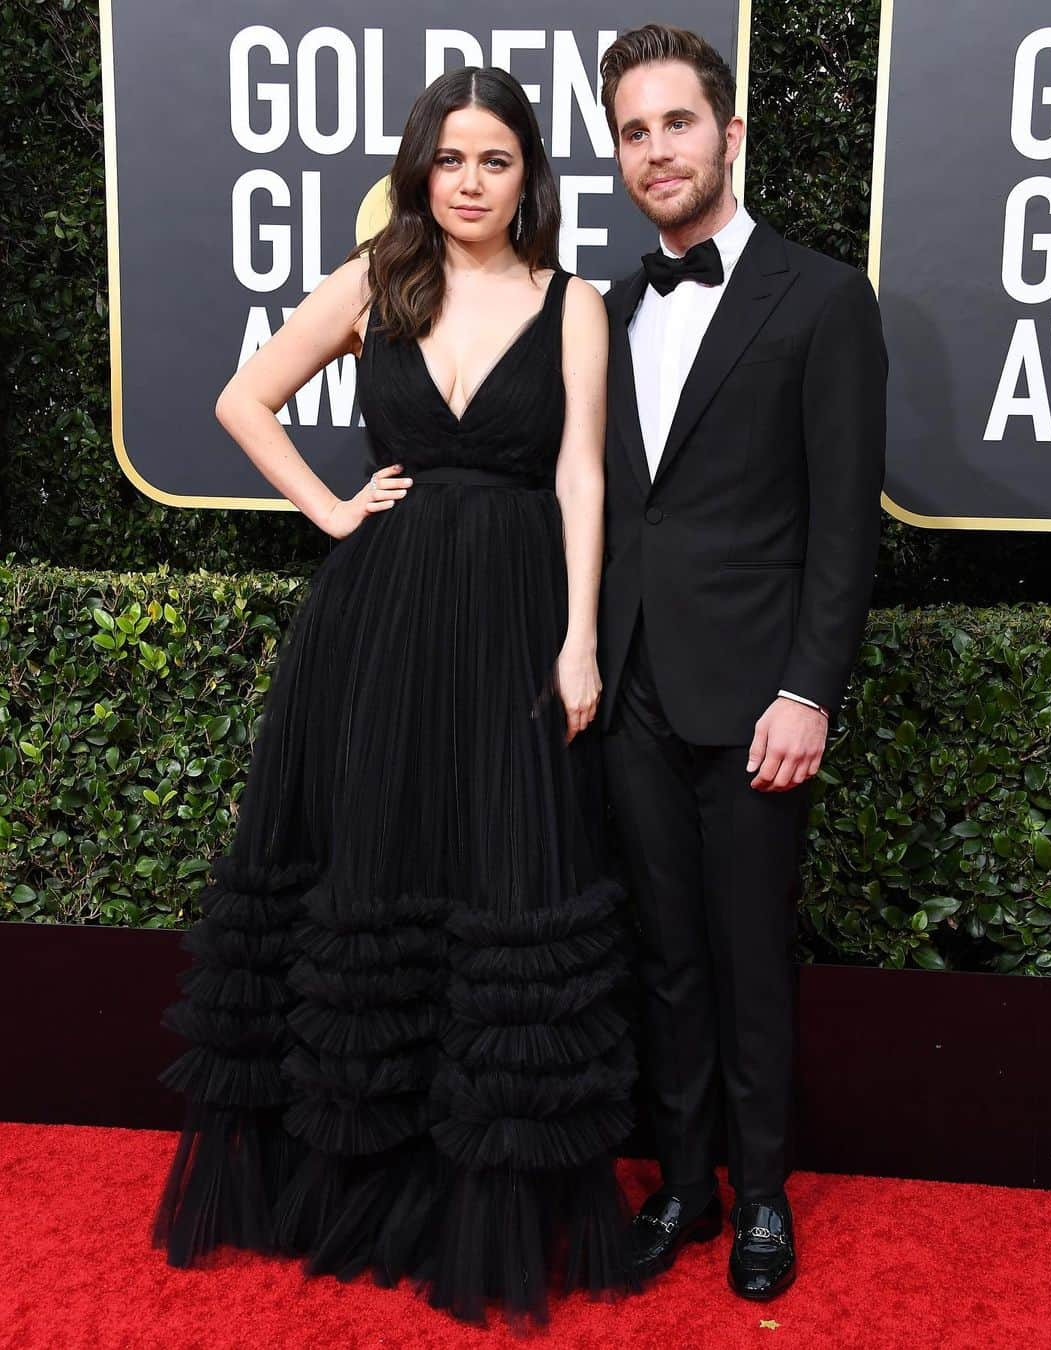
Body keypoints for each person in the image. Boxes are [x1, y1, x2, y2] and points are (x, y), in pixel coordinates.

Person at [151, 65, 644, 1329]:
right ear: (419, 169)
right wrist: (327, 507)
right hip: (381, 618)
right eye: (451, 159)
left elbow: (582, 476)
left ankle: (482, 1190)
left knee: (502, 881)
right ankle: (358, 1185)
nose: (472, 182)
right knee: (374, 875)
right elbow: (242, 399)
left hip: (519, 618)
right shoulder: (379, 281)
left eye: (497, 160)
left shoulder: (573, 302)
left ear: (531, 174)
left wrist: (581, 637)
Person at [597, 24, 888, 1301]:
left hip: (759, 695)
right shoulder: (602, 310)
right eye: (633, 132)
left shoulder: (822, 299)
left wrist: (809, 688)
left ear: (730, 135)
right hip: (630, 688)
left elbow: (843, 522)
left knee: (747, 949)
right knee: (660, 947)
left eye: (676, 122)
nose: (656, 151)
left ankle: (763, 1194)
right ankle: (682, 1182)